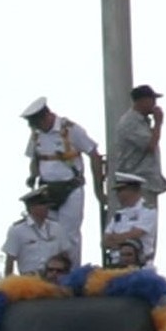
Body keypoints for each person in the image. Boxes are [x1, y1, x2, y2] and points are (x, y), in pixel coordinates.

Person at [21, 97, 105, 268]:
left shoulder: (70, 129)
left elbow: (94, 154)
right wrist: (32, 175)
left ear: (46, 117)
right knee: (47, 233)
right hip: (47, 189)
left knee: (69, 235)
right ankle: (51, 273)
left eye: (37, 123)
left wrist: (98, 190)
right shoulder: (37, 134)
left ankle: (71, 274)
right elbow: (35, 158)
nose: (36, 127)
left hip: (70, 187)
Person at [113, 83, 166, 207]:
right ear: (142, 101)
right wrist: (158, 123)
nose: (155, 104)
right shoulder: (131, 122)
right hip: (137, 183)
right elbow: (150, 145)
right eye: (152, 100)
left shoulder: (142, 122)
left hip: (145, 182)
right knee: (142, 220)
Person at [3, 187, 70, 278]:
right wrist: (7, 285)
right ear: (32, 208)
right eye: (42, 205)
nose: (46, 208)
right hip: (29, 280)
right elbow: (10, 260)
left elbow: (65, 256)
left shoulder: (57, 228)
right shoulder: (17, 230)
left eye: (47, 205)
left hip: (53, 278)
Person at [102, 172, 157, 266]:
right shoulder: (118, 214)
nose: (118, 195)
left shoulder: (147, 211)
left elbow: (135, 234)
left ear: (132, 190)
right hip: (116, 265)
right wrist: (125, 237)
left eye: (120, 190)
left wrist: (115, 239)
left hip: (140, 266)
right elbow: (105, 242)